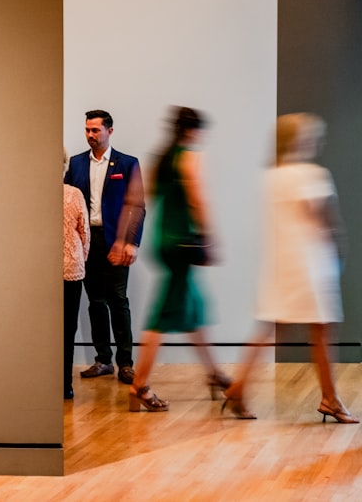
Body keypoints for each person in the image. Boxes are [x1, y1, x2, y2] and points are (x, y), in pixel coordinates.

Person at [223, 114, 356, 422]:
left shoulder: (271, 175)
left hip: (282, 263)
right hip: (312, 264)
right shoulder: (311, 175)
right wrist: (340, 247)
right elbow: (325, 220)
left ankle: (239, 388)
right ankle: (330, 399)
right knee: (322, 330)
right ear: (300, 140)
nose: (316, 141)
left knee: (271, 327)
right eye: (311, 136)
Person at [127, 107, 231, 412]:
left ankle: (213, 373)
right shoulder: (187, 156)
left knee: (194, 309)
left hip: (165, 241)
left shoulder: (162, 157)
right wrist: (209, 236)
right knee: (162, 317)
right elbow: (198, 197)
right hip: (183, 243)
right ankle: (139, 386)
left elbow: (140, 198)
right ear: (192, 130)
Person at [64, 109, 145, 385]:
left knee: (118, 301)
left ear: (110, 131)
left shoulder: (127, 164)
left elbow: (138, 207)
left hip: (117, 241)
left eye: (95, 130)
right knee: (95, 302)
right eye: (87, 130)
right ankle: (102, 360)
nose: (90, 135)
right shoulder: (75, 164)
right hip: (87, 242)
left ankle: (125, 363)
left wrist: (132, 242)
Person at [63, 148, 90, 400]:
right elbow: (85, 233)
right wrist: (81, 258)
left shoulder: (33, 195)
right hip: (71, 269)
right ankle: (65, 384)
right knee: (68, 328)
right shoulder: (74, 194)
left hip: (40, 272)